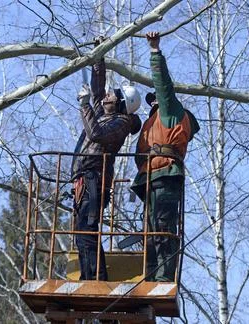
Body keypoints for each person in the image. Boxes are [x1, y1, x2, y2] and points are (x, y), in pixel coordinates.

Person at [131, 32, 200, 282]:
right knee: (151, 231)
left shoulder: (170, 112)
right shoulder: (153, 123)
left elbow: (163, 85)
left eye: (154, 101)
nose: (152, 104)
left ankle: (162, 278)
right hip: (152, 179)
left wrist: (154, 51)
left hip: (165, 176)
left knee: (161, 229)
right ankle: (150, 276)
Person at [72, 37, 142, 281]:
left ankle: (94, 278)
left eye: (113, 95)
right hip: (85, 177)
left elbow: (96, 134)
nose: (107, 95)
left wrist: (84, 106)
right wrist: (99, 56)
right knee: (81, 231)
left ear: (121, 103)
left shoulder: (120, 123)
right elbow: (98, 87)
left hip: (95, 177)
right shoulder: (104, 112)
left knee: (87, 229)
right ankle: (89, 276)